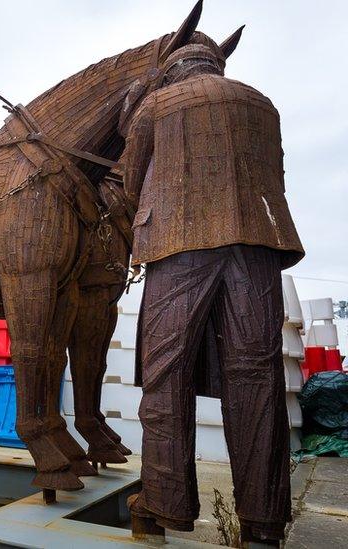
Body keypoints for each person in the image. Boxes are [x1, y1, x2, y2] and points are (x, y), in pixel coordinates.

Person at [122, 39, 304, 545]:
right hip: (259, 244)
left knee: (166, 373)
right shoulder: (260, 102)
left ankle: (163, 504)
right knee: (257, 378)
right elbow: (277, 176)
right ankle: (263, 525)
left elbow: (129, 183)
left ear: (172, 68)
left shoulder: (155, 104)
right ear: (216, 63)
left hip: (178, 243)